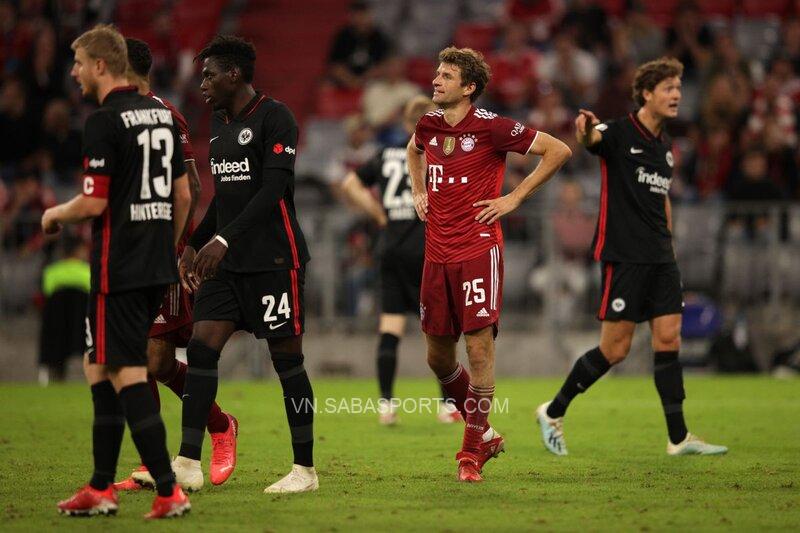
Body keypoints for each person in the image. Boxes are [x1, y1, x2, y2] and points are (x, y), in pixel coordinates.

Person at [536, 57, 728, 457]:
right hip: (624, 256)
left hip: (661, 257)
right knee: (615, 350)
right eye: (669, 88)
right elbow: (592, 139)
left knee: (669, 338)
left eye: (679, 88)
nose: (677, 95)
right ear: (646, 93)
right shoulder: (620, 132)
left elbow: (662, 199)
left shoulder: (665, 147)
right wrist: (585, 130)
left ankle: (678, 438)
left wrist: (669, 245)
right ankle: (552, 412)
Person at [45, 25, 192, 518]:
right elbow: (183, 194)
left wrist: (54, 213)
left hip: (118, 267)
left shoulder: (104, 120)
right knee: (99, 366)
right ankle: (101, 486)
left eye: (79, 63)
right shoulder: (161, 114)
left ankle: (168, 491)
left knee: (125, 371)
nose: (74, 72)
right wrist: (164, 249)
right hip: (154, 265)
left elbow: (93, 202)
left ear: (101, 65)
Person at [408, 46, 571, 482]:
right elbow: (413, 150)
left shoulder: (493, 127)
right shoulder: (428, 123)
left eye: (446, 76)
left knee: (478, 350)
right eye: (437, 73)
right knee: (438, 358)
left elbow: (558, 150)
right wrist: (418, 190)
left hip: (478, 249)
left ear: (469, 87)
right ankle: (487, 434)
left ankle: (470, 453)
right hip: (436, 253)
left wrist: (514, 197)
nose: (436, 80)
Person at [173, 35, 317, 494]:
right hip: (228, 266)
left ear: (234, 74)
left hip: (274, 260)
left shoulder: (276, 117)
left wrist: (222, 239)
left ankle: (304, 470)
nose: (202, 84)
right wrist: (196, 242)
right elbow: (226, 198)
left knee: (287, 362)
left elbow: (272, 191)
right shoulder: (219, 125)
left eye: (209, 74)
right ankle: (187, 461)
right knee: (201, 349)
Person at [113, 37, 239, 492]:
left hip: (161, 250)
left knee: (154, 359)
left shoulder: (164, 115)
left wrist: (175, 246)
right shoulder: (112, 119)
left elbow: (192, 185)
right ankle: (154, 460)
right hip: (126, 253)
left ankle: (220, 424)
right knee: (143, 361)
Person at [340, 95, 462, 425]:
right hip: (427, 248)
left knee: (390, 327)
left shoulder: (385, 154)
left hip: (390, 247)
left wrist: (380, 214)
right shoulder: (436, 152)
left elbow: (350, 184)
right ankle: (447, 406)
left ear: (406, 123)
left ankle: (386, 406)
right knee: (439, 329)